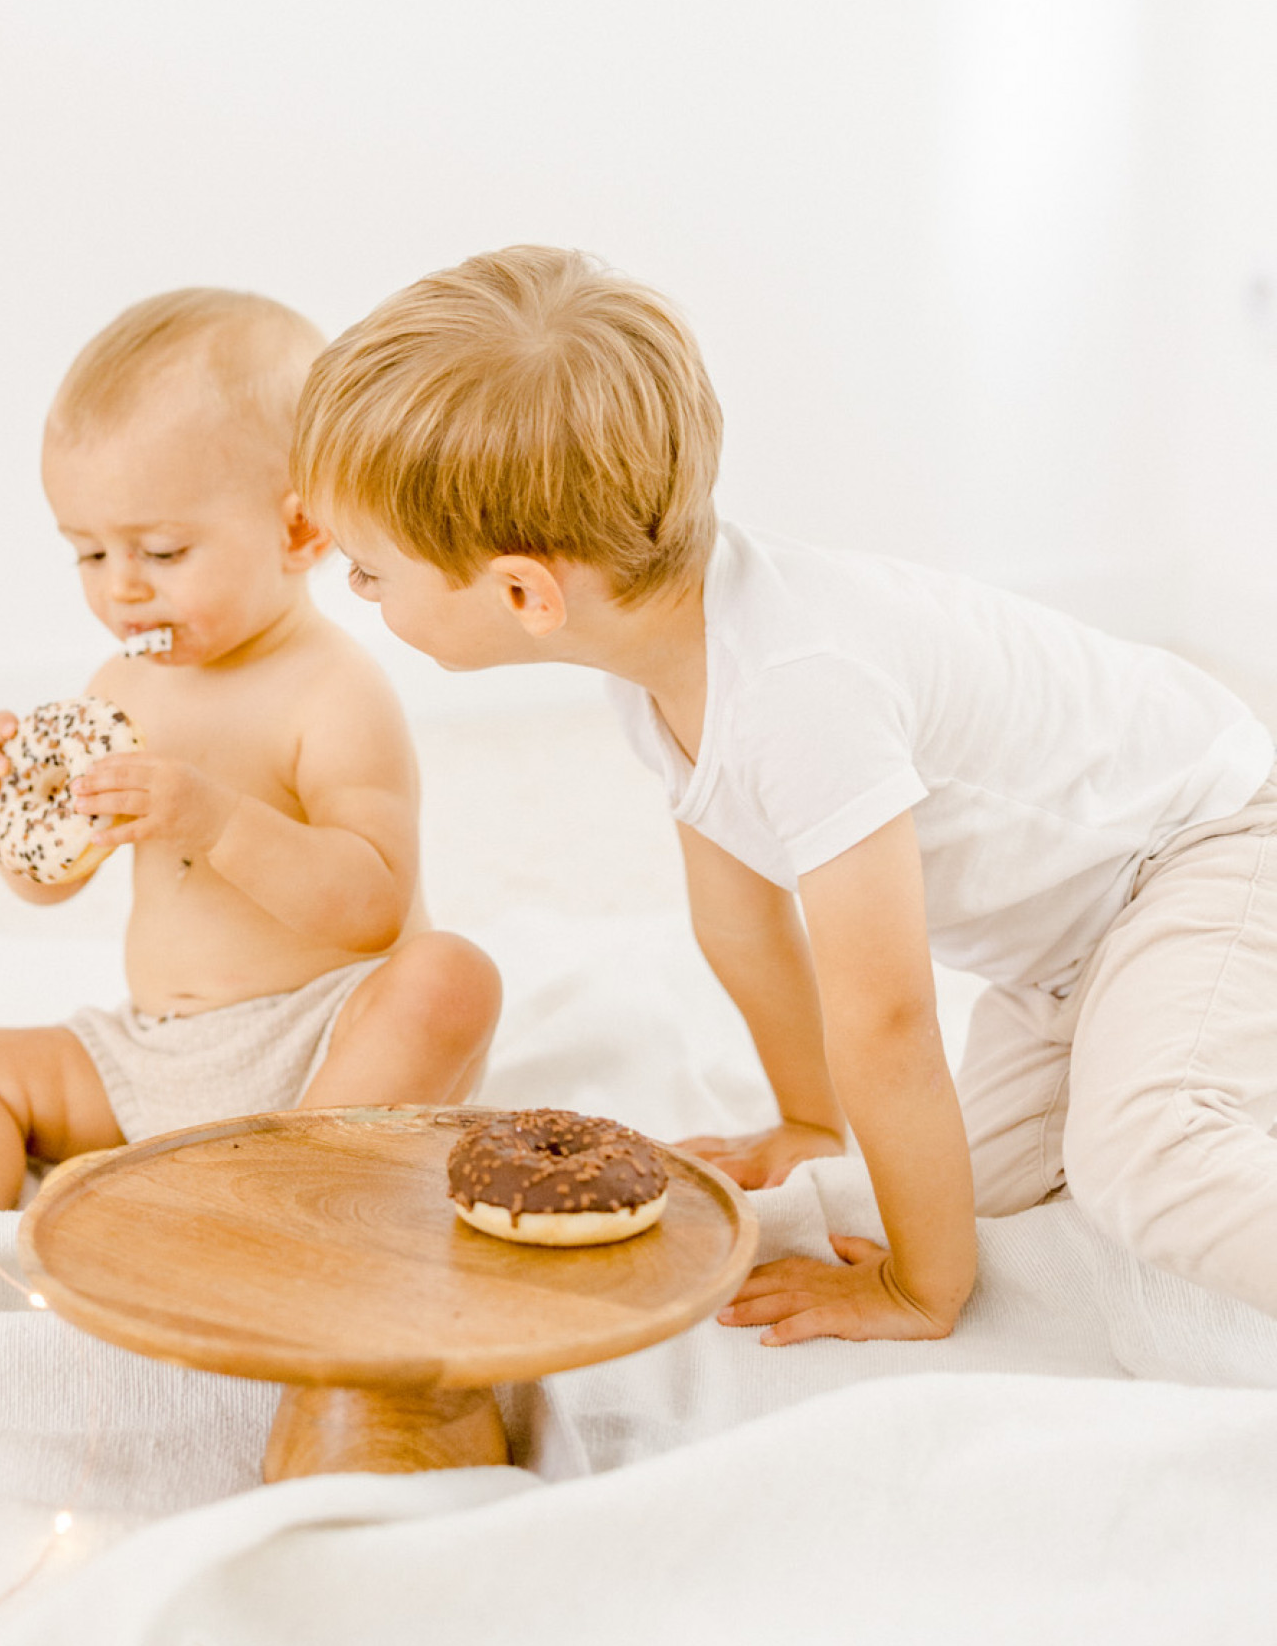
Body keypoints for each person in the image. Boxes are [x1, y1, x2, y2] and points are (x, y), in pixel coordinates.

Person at [291, 244, 1277, 1339]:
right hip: (1071, 950)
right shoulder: (660, 664)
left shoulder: (801, 693)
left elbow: (890, 1018)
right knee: (951, 1188)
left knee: (1143, 1157)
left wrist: (920, 1285)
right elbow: (744, 924)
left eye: (369, 571)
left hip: (1210, 848)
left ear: (525, 590)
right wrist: (811, 1121)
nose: (359, 592)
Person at [0, 287, 500, 1222]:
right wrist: (21, 823)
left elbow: (372, 907)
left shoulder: (333, 690)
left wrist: (214, 818)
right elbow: (52, 885)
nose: (121, 589)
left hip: (320, 1041)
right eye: (88, 554)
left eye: (162, 552)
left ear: (298, 531)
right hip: (156, 1052)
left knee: (449, 978)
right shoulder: (120, 687)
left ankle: (297, 1190)